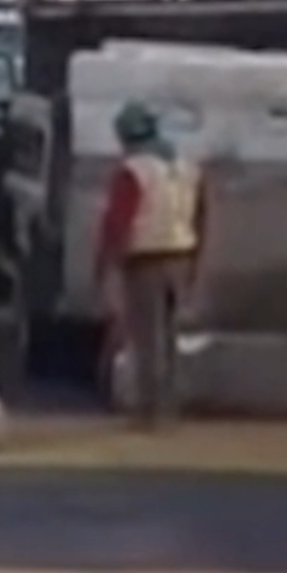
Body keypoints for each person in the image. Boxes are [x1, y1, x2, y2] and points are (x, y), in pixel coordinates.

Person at [94, 100, 206, 425]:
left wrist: (105, 265)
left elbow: (118, 221)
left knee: (147, 339)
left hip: (145, 260)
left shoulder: (133, 171)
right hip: (180, 256)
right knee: (170, 340)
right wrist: (197, 261)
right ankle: (171, 406)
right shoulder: (187, 167)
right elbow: (201, 214)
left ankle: (149, 412)